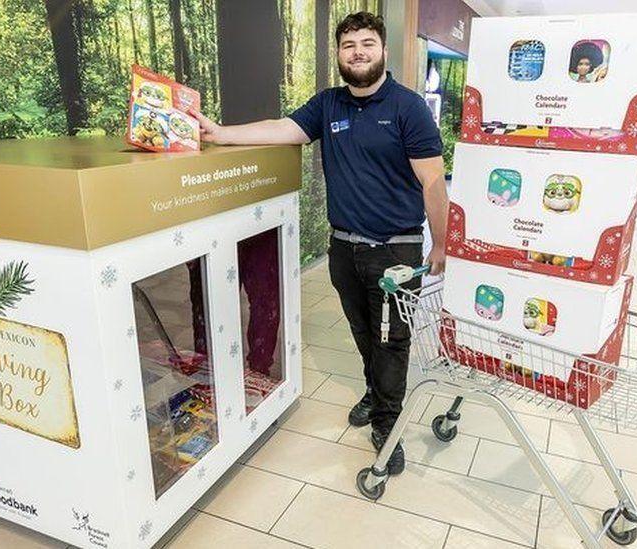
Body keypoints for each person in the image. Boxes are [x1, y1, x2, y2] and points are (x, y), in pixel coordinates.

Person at [189, 12, 447, 476]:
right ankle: (375, 392)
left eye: (367, 43)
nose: (358, 52)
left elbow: (432, 184)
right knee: (364, 332)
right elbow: (281, 128)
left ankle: (388, 427)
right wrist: (219, 134)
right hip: (344, 249)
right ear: (339, 54)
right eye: (349, 45)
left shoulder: (409, 108)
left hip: (395, 251)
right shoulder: (329, 105)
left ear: (383, 50)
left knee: (392, 341)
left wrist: (440, 247)